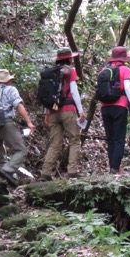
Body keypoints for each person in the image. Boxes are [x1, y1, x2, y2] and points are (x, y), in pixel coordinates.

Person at [0, 69, 36, 194]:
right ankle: (8, 170)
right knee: (20, 149)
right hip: (5, 123)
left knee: (0, 157)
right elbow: (18, 105)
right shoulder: (10, 89)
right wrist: (29, 122)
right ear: (8, 80)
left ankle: (1, 187)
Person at [40, 47, 86, 180]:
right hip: (68, 110)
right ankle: (72, 172)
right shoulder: (70, 71)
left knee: (55, 143)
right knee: (74, 140)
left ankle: (46, 173)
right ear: (69, 58)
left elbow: (49, 95)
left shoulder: (50, 73)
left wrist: (47, 113)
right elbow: (74, 91)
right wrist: (80, 111)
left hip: (53, 111)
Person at [100, 46, 130, 174]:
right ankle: (115, 168)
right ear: (124, 58)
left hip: (105, 107)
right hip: (120, 106)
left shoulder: (104, 69)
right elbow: (127, 88)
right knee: (119, 138)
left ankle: (113, 166)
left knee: (110, 138)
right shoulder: (125, 69)